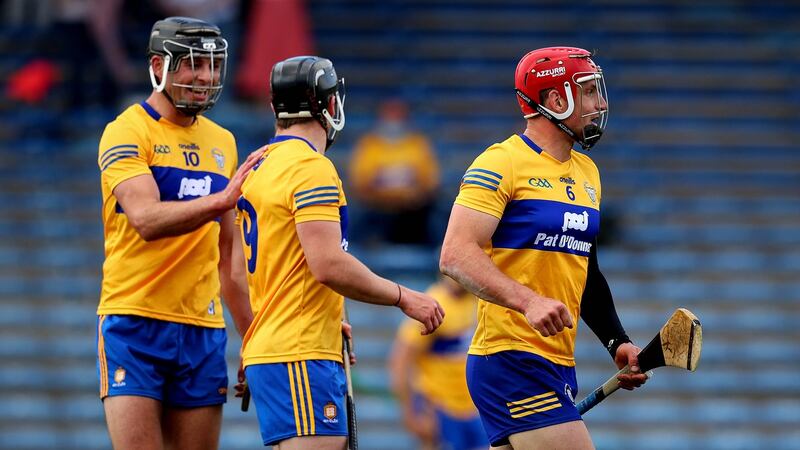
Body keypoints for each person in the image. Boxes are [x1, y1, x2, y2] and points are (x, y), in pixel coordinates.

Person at [438, 47, 648, 450]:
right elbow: (455, 254)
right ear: (556, 99)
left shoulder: (588, 173)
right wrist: (528, 301)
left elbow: (586, 269)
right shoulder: (501, 163)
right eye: (588, 93)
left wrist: (616, 341)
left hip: (557, 364)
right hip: (510, 360)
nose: (600, 103)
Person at [234, 55, 445, 450]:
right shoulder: (310, 167)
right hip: (300, 351)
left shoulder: (258, 164)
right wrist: (404, 297)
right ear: (326, 104)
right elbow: (328, 264)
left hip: (279, 349)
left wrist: (260, 338)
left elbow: (235, 274)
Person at [95, 16, 262, 450]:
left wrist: (253, 338)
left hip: (202, 331)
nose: (205, 77)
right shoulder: (127, 131)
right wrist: (219, 201)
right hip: (134, 323)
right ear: (158, 66)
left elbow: (231, 259)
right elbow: (146, 219)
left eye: (212, 65)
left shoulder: (223, 141)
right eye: (192, 64)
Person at [388, 276, 488, 450]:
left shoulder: (478, 301)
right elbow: (400, 361)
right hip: (439, 407)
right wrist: (411, 413)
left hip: (474, 407)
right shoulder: (433, 304)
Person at [348, 98, 440, 245]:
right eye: (390, 114)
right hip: (376, 210)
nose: (393, 120)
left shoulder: (418, 143)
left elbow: (429, 182)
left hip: (413, 212)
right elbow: (360, 181)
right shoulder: (369, 144)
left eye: (398, 114)